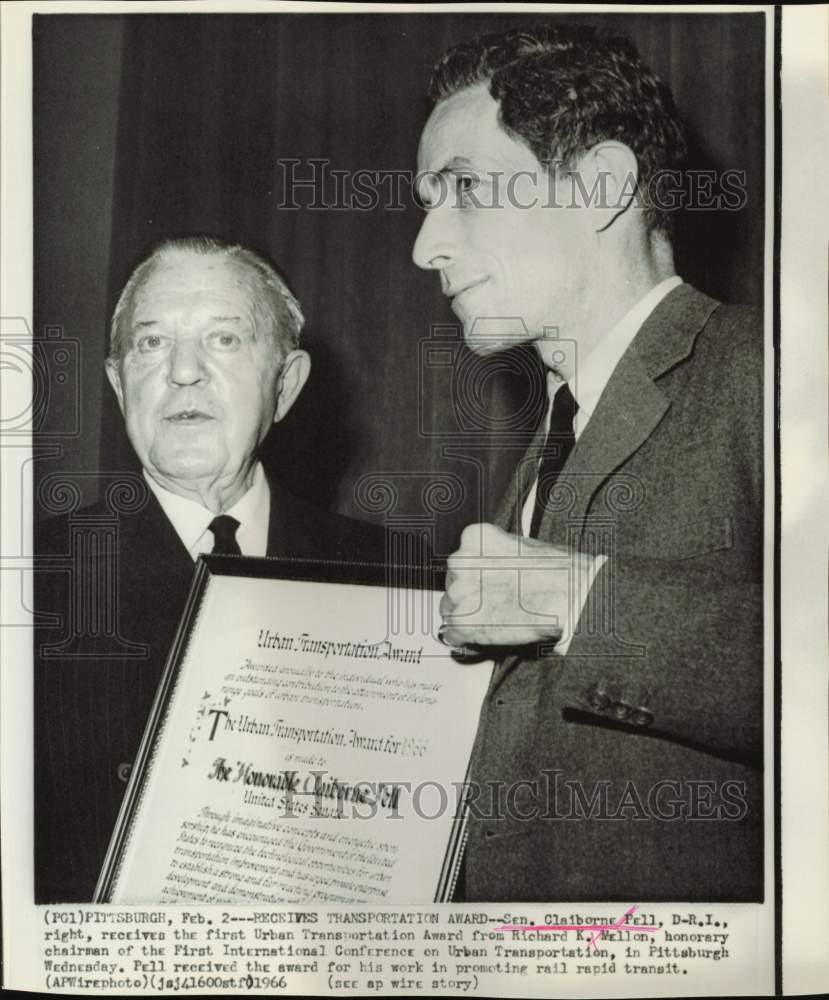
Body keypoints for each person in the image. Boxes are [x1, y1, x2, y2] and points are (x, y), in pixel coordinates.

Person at [413, 24, 763, 900]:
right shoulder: (547, 441)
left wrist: (574, 600)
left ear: (602, 184)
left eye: (462, 188)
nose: (427, 247)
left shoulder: (774, 366)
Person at [34, 236, 386, 901]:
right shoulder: (33, 584)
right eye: (151, 344)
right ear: (118, 383)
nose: (184, 372)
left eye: (224, 340)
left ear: (285, 385)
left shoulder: (390, 577)